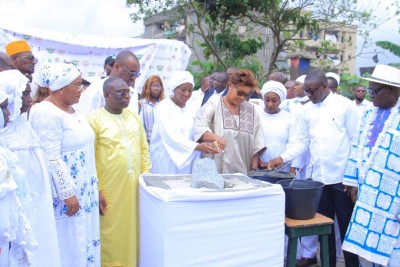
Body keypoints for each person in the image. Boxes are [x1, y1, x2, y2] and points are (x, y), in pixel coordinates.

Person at [268, 70, 360, 267]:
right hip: (318, 179)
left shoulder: (345, 105)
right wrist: (281, 158)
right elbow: (301, 141)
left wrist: (353, 179)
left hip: (342, 179)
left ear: (325, 86)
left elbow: (356, 142)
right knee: (324, 228)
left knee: (346, 229)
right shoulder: (306, 110)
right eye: (306, 91)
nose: (309, 95)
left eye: (312, 91)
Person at [29, 63, 100, 267]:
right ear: (61, 88)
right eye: (77, 85)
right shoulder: (45, 112)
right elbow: (49, 157)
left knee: (83, 238)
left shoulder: (73, 110)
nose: (81, 90)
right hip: (65, 195)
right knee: (68, 242)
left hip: (84, 191)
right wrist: (67, 192)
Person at [0, 70, 62, 266]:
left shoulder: (26, 128)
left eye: (29, 93)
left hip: (39, 205)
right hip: (19, 212)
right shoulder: (6, 140)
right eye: (24, 94)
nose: (28, 99)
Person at [87, 77, 151, 266]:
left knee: (132, 233)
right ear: (106, 95)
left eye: (128, 92)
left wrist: (146, 178)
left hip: (135, 188)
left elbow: (143, 148)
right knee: (111, 234)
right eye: (120, 93)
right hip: (109, 191)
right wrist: (97, 190)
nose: (126, 96)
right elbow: (89, 158)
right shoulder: (93, 120)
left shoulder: (133, 117)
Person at [341, 64, 400, 267]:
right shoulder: (368, 114)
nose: (370, 95)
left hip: (393, 199)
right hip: (367, 194)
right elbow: (356, 146)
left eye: (375, 91)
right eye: (369, 91)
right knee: (366, 250)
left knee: (392, 250)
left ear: (392, 91)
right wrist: (352, 182)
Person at [194, 68, 266, 174]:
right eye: (240, 93)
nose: (242, 98)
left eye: (247, 95)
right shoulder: (214, 104)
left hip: (243, 173)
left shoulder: (251, 111)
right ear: (230, 85)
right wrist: (215, 138)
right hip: (215, 173)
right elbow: (199, 128)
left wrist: (254, 171)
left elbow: (257, 142)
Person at [150, 70, 220, 174]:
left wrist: (207, 142)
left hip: (189, 159)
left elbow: (196, 130)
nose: (187, 94)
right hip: (166, 159)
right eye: (183, 90)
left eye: (190, 90)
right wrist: (198, 147)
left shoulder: (192, 108)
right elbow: (171, 137)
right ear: (174, 88)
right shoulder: (163, 107)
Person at [76, 50, 140, 115]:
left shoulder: (133, 93)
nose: (134, 78)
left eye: (137, 74)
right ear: (117, 67)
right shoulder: (97, 89)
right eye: (132, 73)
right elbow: (86, 119)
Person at [257, 80, 296, 172]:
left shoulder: (289, 118)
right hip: (259, 167)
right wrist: (258, 161)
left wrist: (283, 160)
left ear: (280, 100)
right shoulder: (256, 115)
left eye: (274, 100)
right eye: (267, 100)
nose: (270, 104)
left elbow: (293, 144)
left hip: (282, 167)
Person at [138, 75, 165, 143]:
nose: (156, 88)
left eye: (158, 86)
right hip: (144, 142)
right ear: (147, 87)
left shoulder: (164, 104)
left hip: (160, 143)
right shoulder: (140, 104)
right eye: (153, 86)